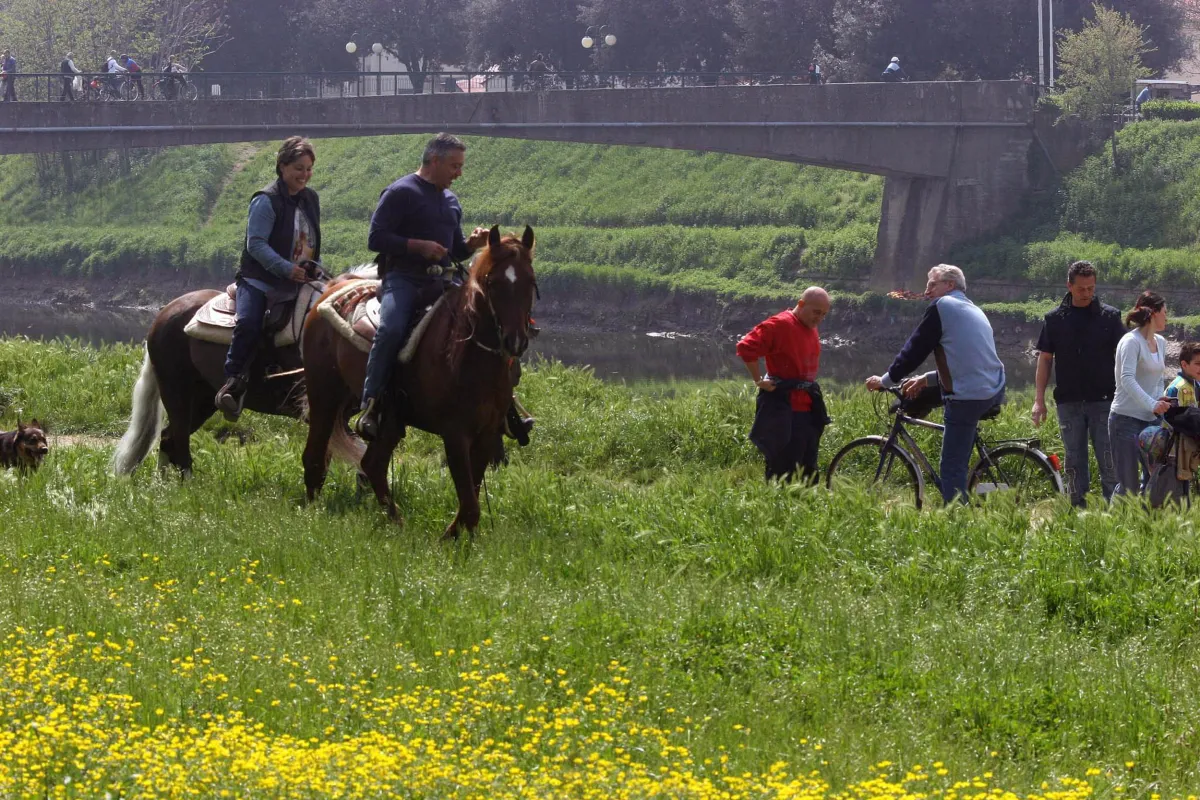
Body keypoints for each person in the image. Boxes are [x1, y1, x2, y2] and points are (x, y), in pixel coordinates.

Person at [354, 133, 494, 439]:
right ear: (434, 161)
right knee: (390, 330)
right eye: (454, 166)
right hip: (404, 279)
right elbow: (375, 239)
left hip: (441, 281)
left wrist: (470, 245)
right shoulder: (400, 192)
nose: (459, 173)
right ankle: (371, 402)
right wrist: (417, 246)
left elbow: (453, 251)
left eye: (460, 166)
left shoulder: (451, 200)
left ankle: (498, 407)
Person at [866, 265, 1005, 503]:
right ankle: (982, 491)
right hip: (992, 388)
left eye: (932, 284)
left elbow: (914, 350)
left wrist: (886, 380)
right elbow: (965, 362)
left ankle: (956, 522)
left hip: (968, 395)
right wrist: (926, 379)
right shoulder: (973, 309)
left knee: (951, 466)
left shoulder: (942, 307)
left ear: (949, 285)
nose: (926, 290)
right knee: (934, 406)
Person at [214, 137, 321, 420]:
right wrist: (287, 269)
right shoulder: (265, 200)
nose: (305, 175)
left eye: (309, 168)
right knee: (249, 322)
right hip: (260, 280)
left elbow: (309, 238)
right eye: (299, 168)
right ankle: (233, 382)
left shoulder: (311, 198)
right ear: (282, 166)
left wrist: (313, 267)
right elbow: (256, 245)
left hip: (299, 279)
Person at [1031, 260, 1125, 507]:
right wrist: (1039, 401)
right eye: (1082, 288)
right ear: (1069, 286)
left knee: (1109, 460)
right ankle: (1077, 512)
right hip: (1069, 402)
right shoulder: (1055, 319)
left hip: (1104, 401)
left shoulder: (1110, 317)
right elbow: (1045, 359)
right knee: (1073, 460)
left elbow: (1125, 358)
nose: (1087, 293)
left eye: (1091, 288)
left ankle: (1114, 512)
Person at [737, 287, 831, 483]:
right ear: (801, 304)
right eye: (816, 312)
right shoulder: (780, 324)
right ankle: (777, 509)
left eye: (824, 314)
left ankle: (805, 509)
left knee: (808, 470)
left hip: (807, 408)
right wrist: (758, 380)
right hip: (785, 409)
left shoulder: (810, 326)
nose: (819, 318)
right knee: (782, 469)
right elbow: (746, 346)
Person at [1109, 291, 1169, 497]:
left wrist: (1160, 398)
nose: (1166, 317)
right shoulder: (1130, 341)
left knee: (1152, 481)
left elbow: (1159, 377)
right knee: (1128, 486)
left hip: (1151, 421)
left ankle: (1144, 525)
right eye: (1164, 312)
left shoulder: (1160, 342)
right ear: (1153, 313)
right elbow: (1126, 379)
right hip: (1125, 420)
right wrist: (1152, 403)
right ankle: (1112, 526)